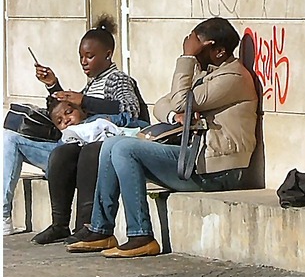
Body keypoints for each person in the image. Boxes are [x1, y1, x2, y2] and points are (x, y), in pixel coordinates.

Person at [66, 17, 258, 258]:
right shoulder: (206, 75)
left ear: (218, 51)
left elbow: (180, 100)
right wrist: (173, 115)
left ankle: (141, 235)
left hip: (219, 171)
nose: (190, 49)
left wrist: (187, 60)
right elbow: (163, 104)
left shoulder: (233, 78)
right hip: (194, 161)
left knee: (126, 149)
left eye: (197, 47)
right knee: (112, 144)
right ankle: (101, 229)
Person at [3, 15, 147, 238]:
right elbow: (72, 114)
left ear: (108, 55)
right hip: (79, 144)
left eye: (90, 56)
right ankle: (58, 224)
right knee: (39, 147)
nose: (83, 62)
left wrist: (85, 101)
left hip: (103, 147)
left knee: (79, 154)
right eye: (81, 57)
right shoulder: (92, 84)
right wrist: (53, 86)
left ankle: (86, 226)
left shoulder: (117, 79)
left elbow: (130, 110)